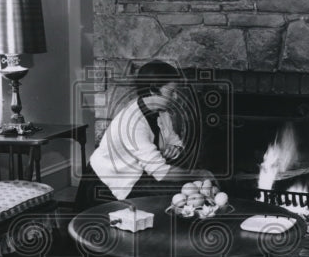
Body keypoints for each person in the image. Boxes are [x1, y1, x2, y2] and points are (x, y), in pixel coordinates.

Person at [78, 60, 214, 206]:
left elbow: (175, 140)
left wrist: (176, 148)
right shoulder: (133, 123)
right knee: (178, 194)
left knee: (185, 189)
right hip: (109, 182)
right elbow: (161, 172)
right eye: (171, 92)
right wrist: (197, 174)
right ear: (152, 90)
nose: (176, 97)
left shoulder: (161, 112)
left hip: (139, 173)